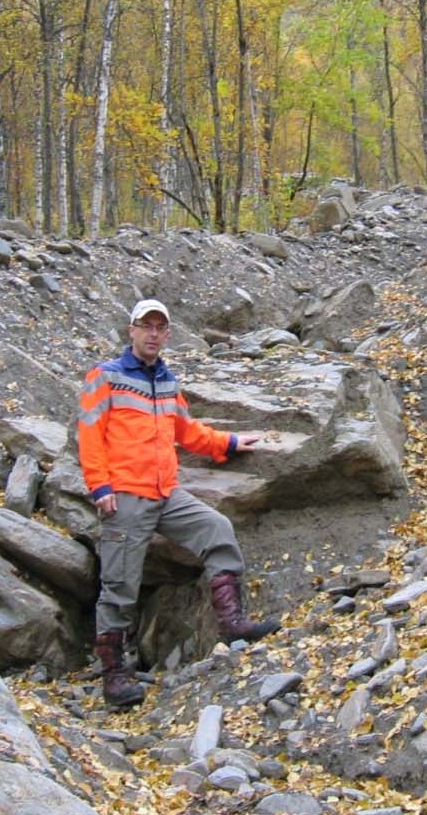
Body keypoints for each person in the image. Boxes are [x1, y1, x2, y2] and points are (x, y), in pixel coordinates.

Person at [78, 298, 280, 708]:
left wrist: (230, 442)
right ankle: (115, 675)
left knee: (217, 529)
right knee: (118, 586)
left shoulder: (168, 382)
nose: (153, 334)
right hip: (125, 497)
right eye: (145, 326)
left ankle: (233, 623)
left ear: (167, 334)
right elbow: (89, 435)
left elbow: (188, 432)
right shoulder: (105, 377)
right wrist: (100, 488)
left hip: (166, 493)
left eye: (160, 327)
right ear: (131, 330)